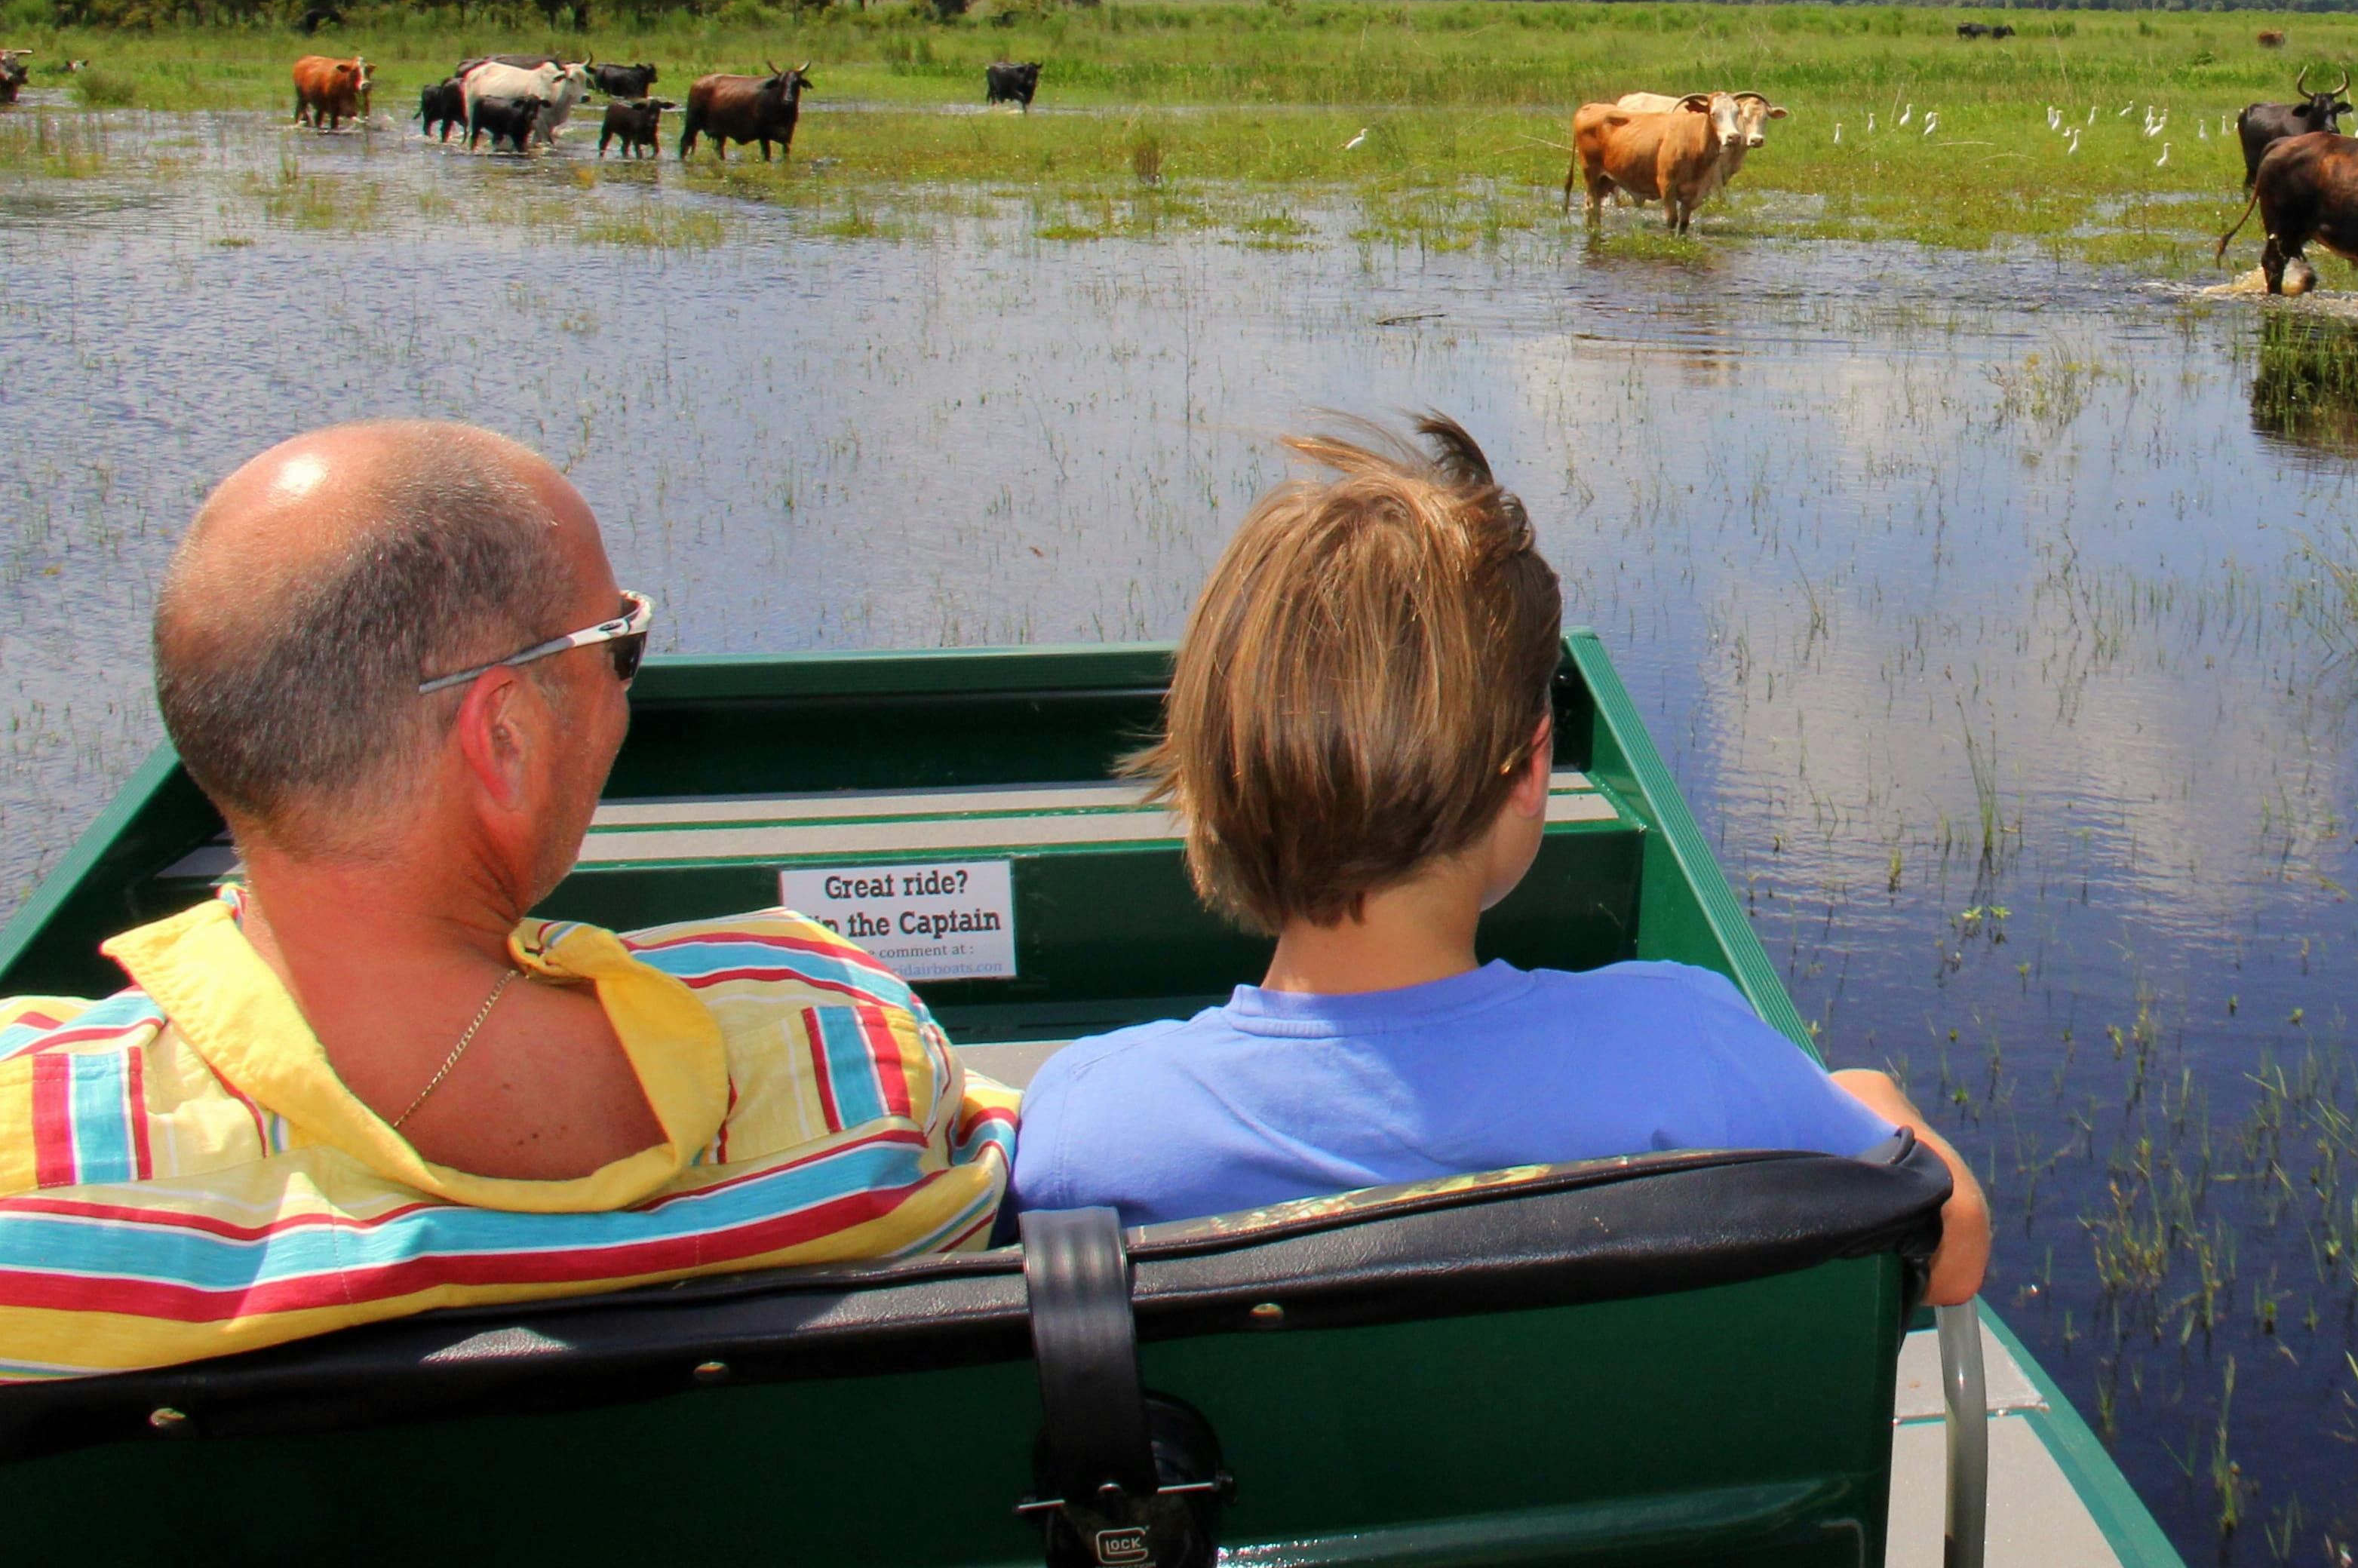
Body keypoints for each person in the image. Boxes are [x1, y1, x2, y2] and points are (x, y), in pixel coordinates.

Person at [0, 422, 1013, 1380]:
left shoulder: (34, 1166)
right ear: (507, 737)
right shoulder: (838, 1061)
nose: (626, 691)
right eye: (620, 643)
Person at [1014, 419, 1991, 1304]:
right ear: (1529, 770)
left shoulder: (1086, 1131)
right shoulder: (1689, 1044)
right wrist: (1873, 1099)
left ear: (1214, 773)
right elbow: (1952, 1246)